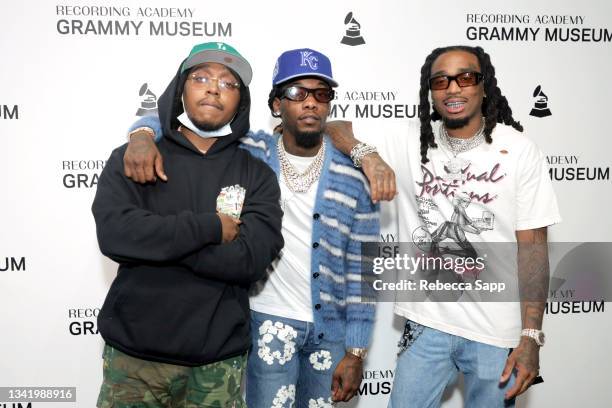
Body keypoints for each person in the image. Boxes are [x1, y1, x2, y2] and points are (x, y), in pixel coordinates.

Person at [124, 48, 381, 407]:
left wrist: (356, 351)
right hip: (267, 322)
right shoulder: (249, 151)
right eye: (296, 93)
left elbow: (365, 271)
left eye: (321, 94)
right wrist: (141, 135)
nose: (310, 104)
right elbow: (182, 121)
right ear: (277, 104)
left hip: (331, 335)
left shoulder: (355, 176)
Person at [92, 41, 284, 408]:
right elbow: (116, 234)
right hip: (134, 361)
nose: (214, 87)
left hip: (217, 365)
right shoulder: (135, 158)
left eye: (229, 83)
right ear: (181, 89)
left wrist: (157, 244)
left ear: (240, 102)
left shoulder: (256, 173)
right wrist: (210, 228)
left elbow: (250, 258)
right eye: (202, 77)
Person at [382, 45, 559, 407]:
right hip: (427, 324)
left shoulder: (519, 150)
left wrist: (530, 336)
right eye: (441, 81)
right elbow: (337, 129)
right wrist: (366, 156)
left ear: (483, 85)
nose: (453, 88)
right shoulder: (410, 140)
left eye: (466, 77)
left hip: (495, 334)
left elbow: (533, 249)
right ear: (430, 91)